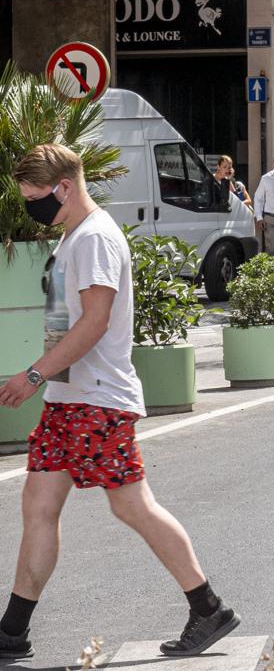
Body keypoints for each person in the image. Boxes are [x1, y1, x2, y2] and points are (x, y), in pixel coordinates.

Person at [0, 144, 239, 661]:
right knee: (39, 507)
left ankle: (208, 607)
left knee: (133, 505)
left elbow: (94, 321)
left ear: (64, 187)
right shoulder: (74, 237)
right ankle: (12, 630)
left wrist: (35, 374)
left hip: (98, 401)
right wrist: (47, 379)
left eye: (35, 198)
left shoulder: (94, 239)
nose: (32, 209)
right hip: (71, 399)